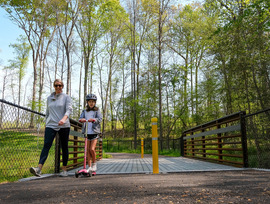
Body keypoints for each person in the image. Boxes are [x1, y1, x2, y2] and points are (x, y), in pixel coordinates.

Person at [30, 79, 73, 177]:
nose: (58, 87)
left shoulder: (66, 97)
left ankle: (64, 170)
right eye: (56, 85)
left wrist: (64, 119)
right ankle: (39, 169)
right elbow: (47, 112)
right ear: (54, 86)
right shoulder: (49, 98)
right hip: (51, 125)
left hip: (64, 125)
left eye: (60, 85)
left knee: (64, 147)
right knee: (46, 145)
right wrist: (46, 124)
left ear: (62, 86)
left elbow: (69, 109)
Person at [79, 94, 102, 173]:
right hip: (87, 133)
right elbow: (80, 118)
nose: (91, 103)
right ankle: (89, 167)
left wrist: (94, 120)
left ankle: (94, 164)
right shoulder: (84, 111)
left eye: (93, 102)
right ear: (87, 102)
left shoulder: (97, 110)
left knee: (92, 149)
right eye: (90, 102)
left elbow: (100, 119)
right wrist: (81, 119)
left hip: (94, 132)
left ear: (95, 102)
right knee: (87, 151)